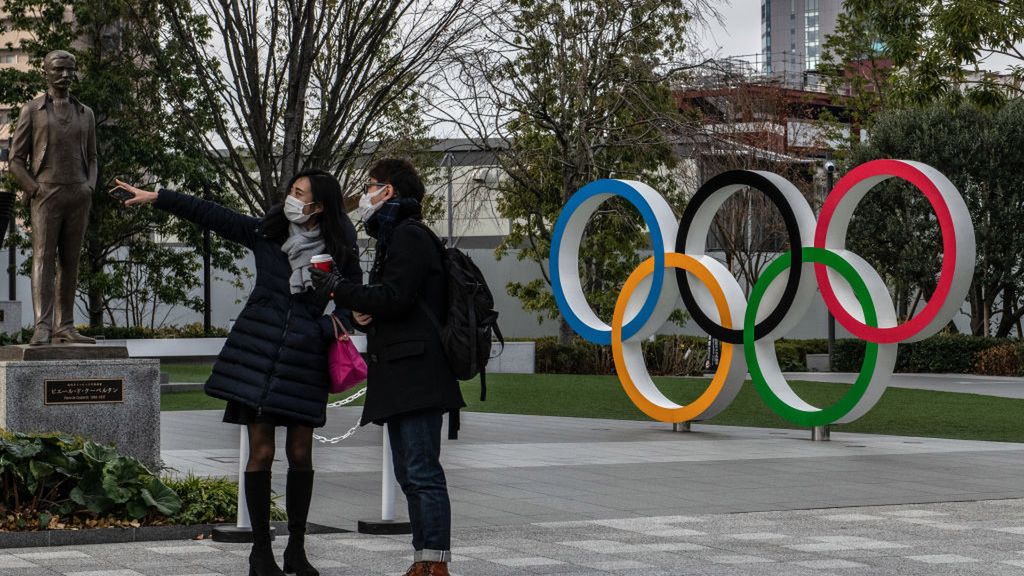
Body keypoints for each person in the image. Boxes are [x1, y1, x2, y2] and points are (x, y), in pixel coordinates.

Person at [117, 170, 361, 576]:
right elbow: (211, 213)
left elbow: (353, 299)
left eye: (300, 194)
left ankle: (297, 550)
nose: (291, 198)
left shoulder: (339, 249)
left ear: (319, 206)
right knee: (261, 451)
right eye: (291, 191)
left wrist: (326, 326)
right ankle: (260, 551)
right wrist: (157, 196)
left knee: (301, 453)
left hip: (305, 359)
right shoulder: (267, 233)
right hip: (258, 356)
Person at [310, 158, 464, 576]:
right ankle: (424, 559)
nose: (365, 195)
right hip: (403, 371)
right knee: (409, 471)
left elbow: (396, 296)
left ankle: (434, 564)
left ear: (389, 191)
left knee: (420, 470)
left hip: (417, 372)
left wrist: (340, 289)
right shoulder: (396, 236)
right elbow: (399, 300)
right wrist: (364, 310)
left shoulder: (409, 236)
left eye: (371, 185)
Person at [9, 49, 98, 345]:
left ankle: (66, 326)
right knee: (43, 258)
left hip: (78, 193)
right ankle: (43, 326)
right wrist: (34, 189)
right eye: (58, 69)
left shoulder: (86, 113)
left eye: (70, 70)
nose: (65, 75)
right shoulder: (32, 110)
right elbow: (15, 160)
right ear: (45, 72)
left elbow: (94, 158)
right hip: (46, 192)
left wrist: (90, 186)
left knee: (70, 261)